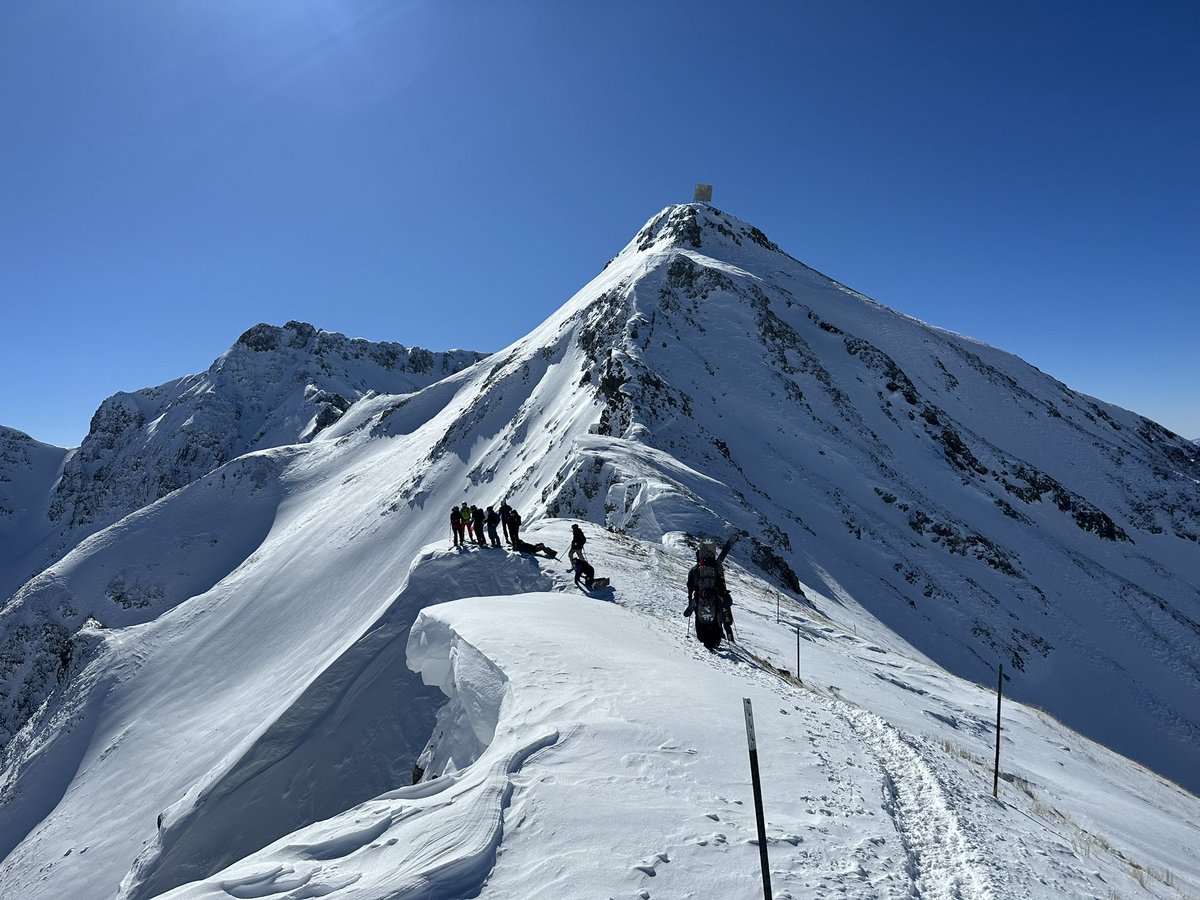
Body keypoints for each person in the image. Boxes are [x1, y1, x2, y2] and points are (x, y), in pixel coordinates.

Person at [685, 540, 733, 651]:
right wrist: (724, 595)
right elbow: (720, 584)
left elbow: (690, 586)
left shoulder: (694, 570)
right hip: (714, 599)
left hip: (699, 599)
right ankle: (715, 641)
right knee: (715, 620)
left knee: (700, 619)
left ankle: (704, 640)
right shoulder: (714, 569)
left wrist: (690, 599)